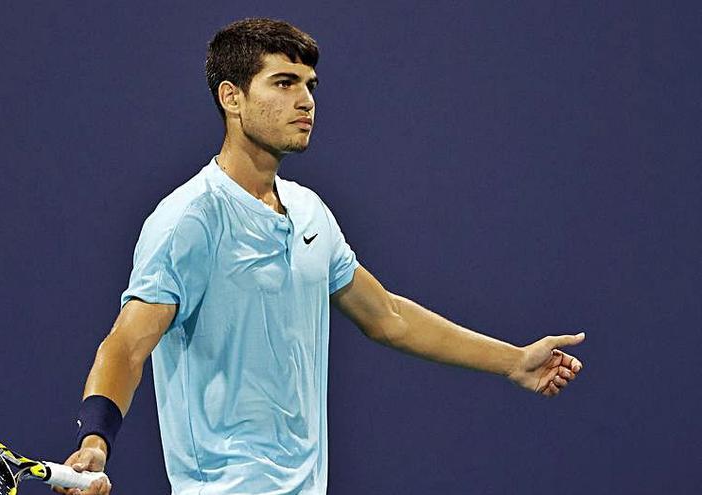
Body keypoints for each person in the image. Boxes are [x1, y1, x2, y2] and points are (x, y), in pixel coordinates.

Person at [53, 17, 585, 495]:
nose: (305, 101)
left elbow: (389, 318)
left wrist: (514, 360)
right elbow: (126, 346)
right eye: (283, 84)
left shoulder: (310, 212)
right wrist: (97, 439)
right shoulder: (189, 220)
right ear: (231, 97)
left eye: (309, 86)